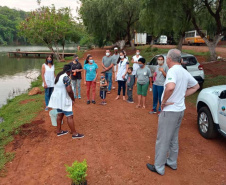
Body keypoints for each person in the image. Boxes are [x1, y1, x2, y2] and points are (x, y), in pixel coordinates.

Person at [146, 49, 200, 175]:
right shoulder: (183, 71)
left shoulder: (172, 71)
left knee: (163, 139)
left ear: (169, 59)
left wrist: (163, 102)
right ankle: (171, 162)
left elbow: (170, 87)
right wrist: (182, 95)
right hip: (180, 110)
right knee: (173, 138)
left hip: (170, 111)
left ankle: (159, 167)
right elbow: (196, 86)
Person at [48, 64, 84, 139]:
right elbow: (69, 90)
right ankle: (74, 133)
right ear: (69, 71)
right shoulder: (66, 78)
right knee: (69, 116)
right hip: (63, 99)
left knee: (60, 114)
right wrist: (73, 99)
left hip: (57, 99)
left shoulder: (59, 76)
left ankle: (59, 131)